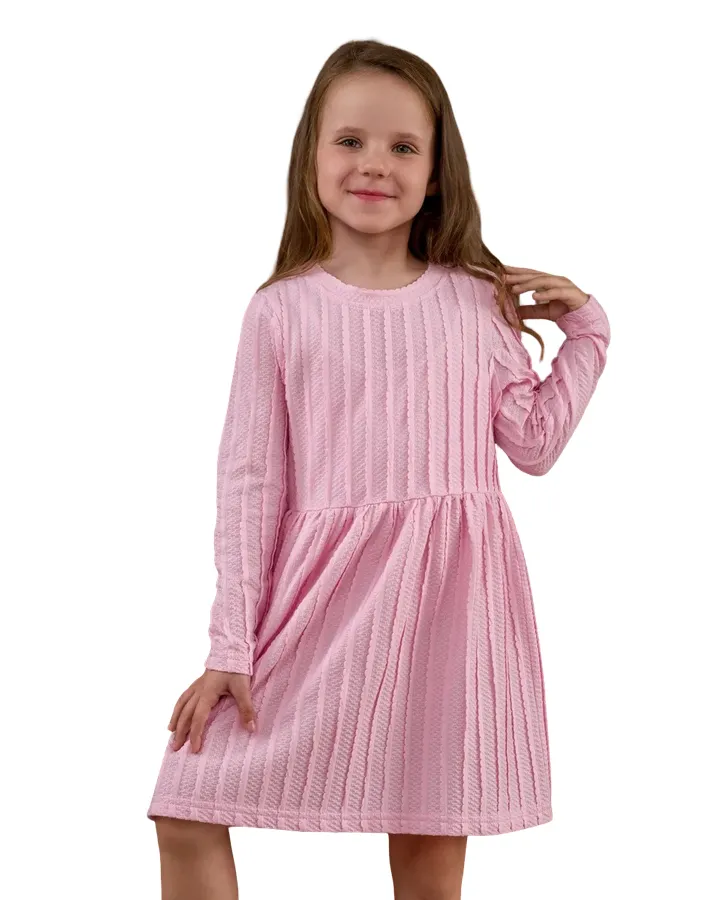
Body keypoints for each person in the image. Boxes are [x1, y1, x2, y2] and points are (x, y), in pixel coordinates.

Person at [147, 38, 611, 900]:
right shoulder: (279, 312)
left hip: (446, 610)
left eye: (403, 146)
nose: (374, 164)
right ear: (311, 157)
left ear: (436, 175)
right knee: (187, 805)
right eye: (351, 140)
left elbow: (535, 445)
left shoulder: (474, 302)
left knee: (428, 840)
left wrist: (586, 330)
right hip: (316, 601)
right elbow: (249, 489)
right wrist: (230, 644)